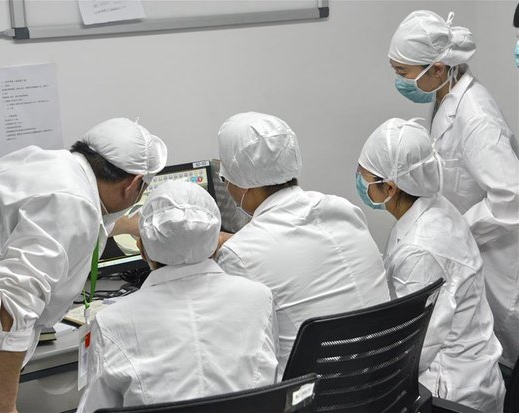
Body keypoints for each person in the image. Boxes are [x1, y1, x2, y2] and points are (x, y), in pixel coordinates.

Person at [0, 117, 167, 413]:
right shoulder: (73, 203)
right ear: (133, 185)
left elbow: (71, 219)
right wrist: (4, 406)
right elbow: (11, 308)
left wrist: (133, 225)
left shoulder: (50, 165)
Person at [388, 9, 519, 370]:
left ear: (437, 69)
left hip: (498, 259)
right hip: (474, 253)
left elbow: (511, 197)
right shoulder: (447, 96)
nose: (398, 81)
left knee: (502, 358)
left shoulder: (475, 116)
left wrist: (459, 231)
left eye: (403, 73)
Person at [214, 111, 390, 376]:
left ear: (243, 185)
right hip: (381, 380)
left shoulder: (239, 255)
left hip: (313, 393)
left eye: (225, 180)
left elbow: (242, 360)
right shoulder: (343, 209)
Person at [77, 181, 278, 411]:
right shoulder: (259, 299)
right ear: (215, 245)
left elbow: (95, 407)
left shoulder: (111, 323)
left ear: (142, 250)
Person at [356, 117, 506, 412]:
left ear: (390, 188)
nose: (360, 181)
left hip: (449, 391)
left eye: (365, 176)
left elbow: (418, 343)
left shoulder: (420, 249)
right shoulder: (436, 207)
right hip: (474, 371)